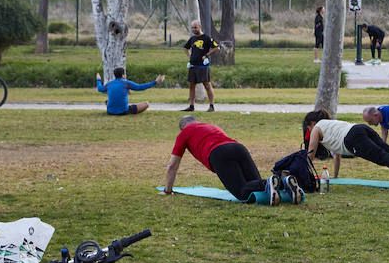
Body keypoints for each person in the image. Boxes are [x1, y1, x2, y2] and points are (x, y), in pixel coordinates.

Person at [163, 115, 297, 204]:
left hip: (218, 154)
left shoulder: (184, 132)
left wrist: (167, 190)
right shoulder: (211, 126)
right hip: (239, 148)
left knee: (242, 193)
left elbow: (172, 165)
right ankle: (283, 182)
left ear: (182, 127)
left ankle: (269, 182)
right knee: (255, 185)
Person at [304, 109, 389, 188]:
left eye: (308, 127)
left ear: (312, 123)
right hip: (360, 128)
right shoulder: (330, 125)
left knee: (380, 156)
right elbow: (336, 155)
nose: (309, 130)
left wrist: (304, 171)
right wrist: (335, 176)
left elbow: (311, 152)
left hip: (352, 138)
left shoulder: (316, 128)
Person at [182, 19, 220, 112]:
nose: (194, 29)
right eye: (192, 28)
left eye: (195, 27)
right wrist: (190, 56)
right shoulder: (192, 38)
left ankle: (211, 106)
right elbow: (186, 48)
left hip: (203, 66)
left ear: (200, 27)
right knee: (191, 85)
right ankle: (191, 106)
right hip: (193, 66)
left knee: (207, 85)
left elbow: (217, 48)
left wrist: (207, 55)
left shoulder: (206, 38)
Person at [97, 67, 164, 115]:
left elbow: (100, 89)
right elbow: (140, 87)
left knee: (108, 101)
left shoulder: (109, 84)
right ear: (123, 75)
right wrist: (155, 82)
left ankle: (113, 107)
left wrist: (98, 80)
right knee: (146, 104)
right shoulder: (126, 83)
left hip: (110, 112)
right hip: (124, 111)